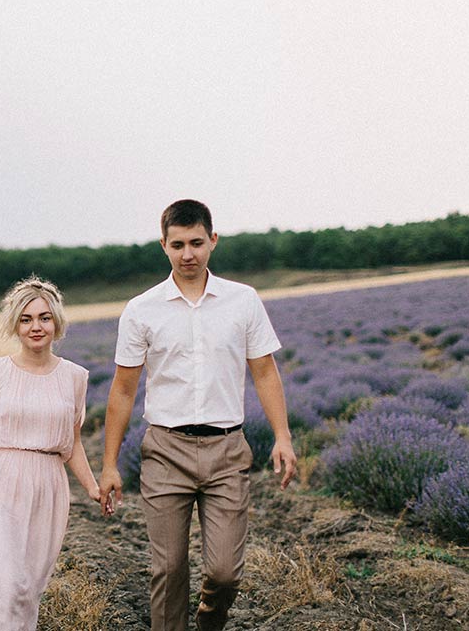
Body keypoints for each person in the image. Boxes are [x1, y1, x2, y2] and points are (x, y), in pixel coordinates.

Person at [98, 200, 297, 631]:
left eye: (196, 243)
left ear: (213, 241)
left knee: (224, 572)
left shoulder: (243, 301)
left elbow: (264, 371)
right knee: (168, 571)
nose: (187, 254)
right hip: (166, 450)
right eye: (177, 245)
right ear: (163, 246)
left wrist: (282, 436)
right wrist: (110, 464)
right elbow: (123, 389)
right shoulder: (142, 309)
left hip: (227, 450)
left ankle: (208, 623)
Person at [0, 275, 100, 631]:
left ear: (57, 322)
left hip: (47, 489)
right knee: (3, 588)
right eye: (26, 319)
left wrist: (93, 488)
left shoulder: (75, 378)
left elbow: (73, 445)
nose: (36, 327)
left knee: (26, 592)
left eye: (44, 318)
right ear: (15, 324)